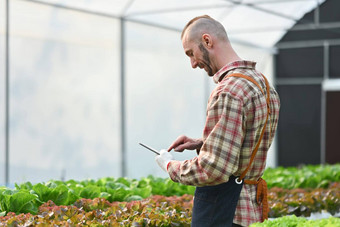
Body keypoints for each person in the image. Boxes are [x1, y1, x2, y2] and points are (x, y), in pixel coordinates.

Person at [155, 15, 280, 227]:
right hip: (250, 211)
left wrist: (169, 165)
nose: (193, 63)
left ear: (207, 41)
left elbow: (213, 169)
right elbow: (247, 145)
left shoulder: (228, 91)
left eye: (191, 54)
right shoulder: (264, 86)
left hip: (228, 213)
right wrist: (203, 144)